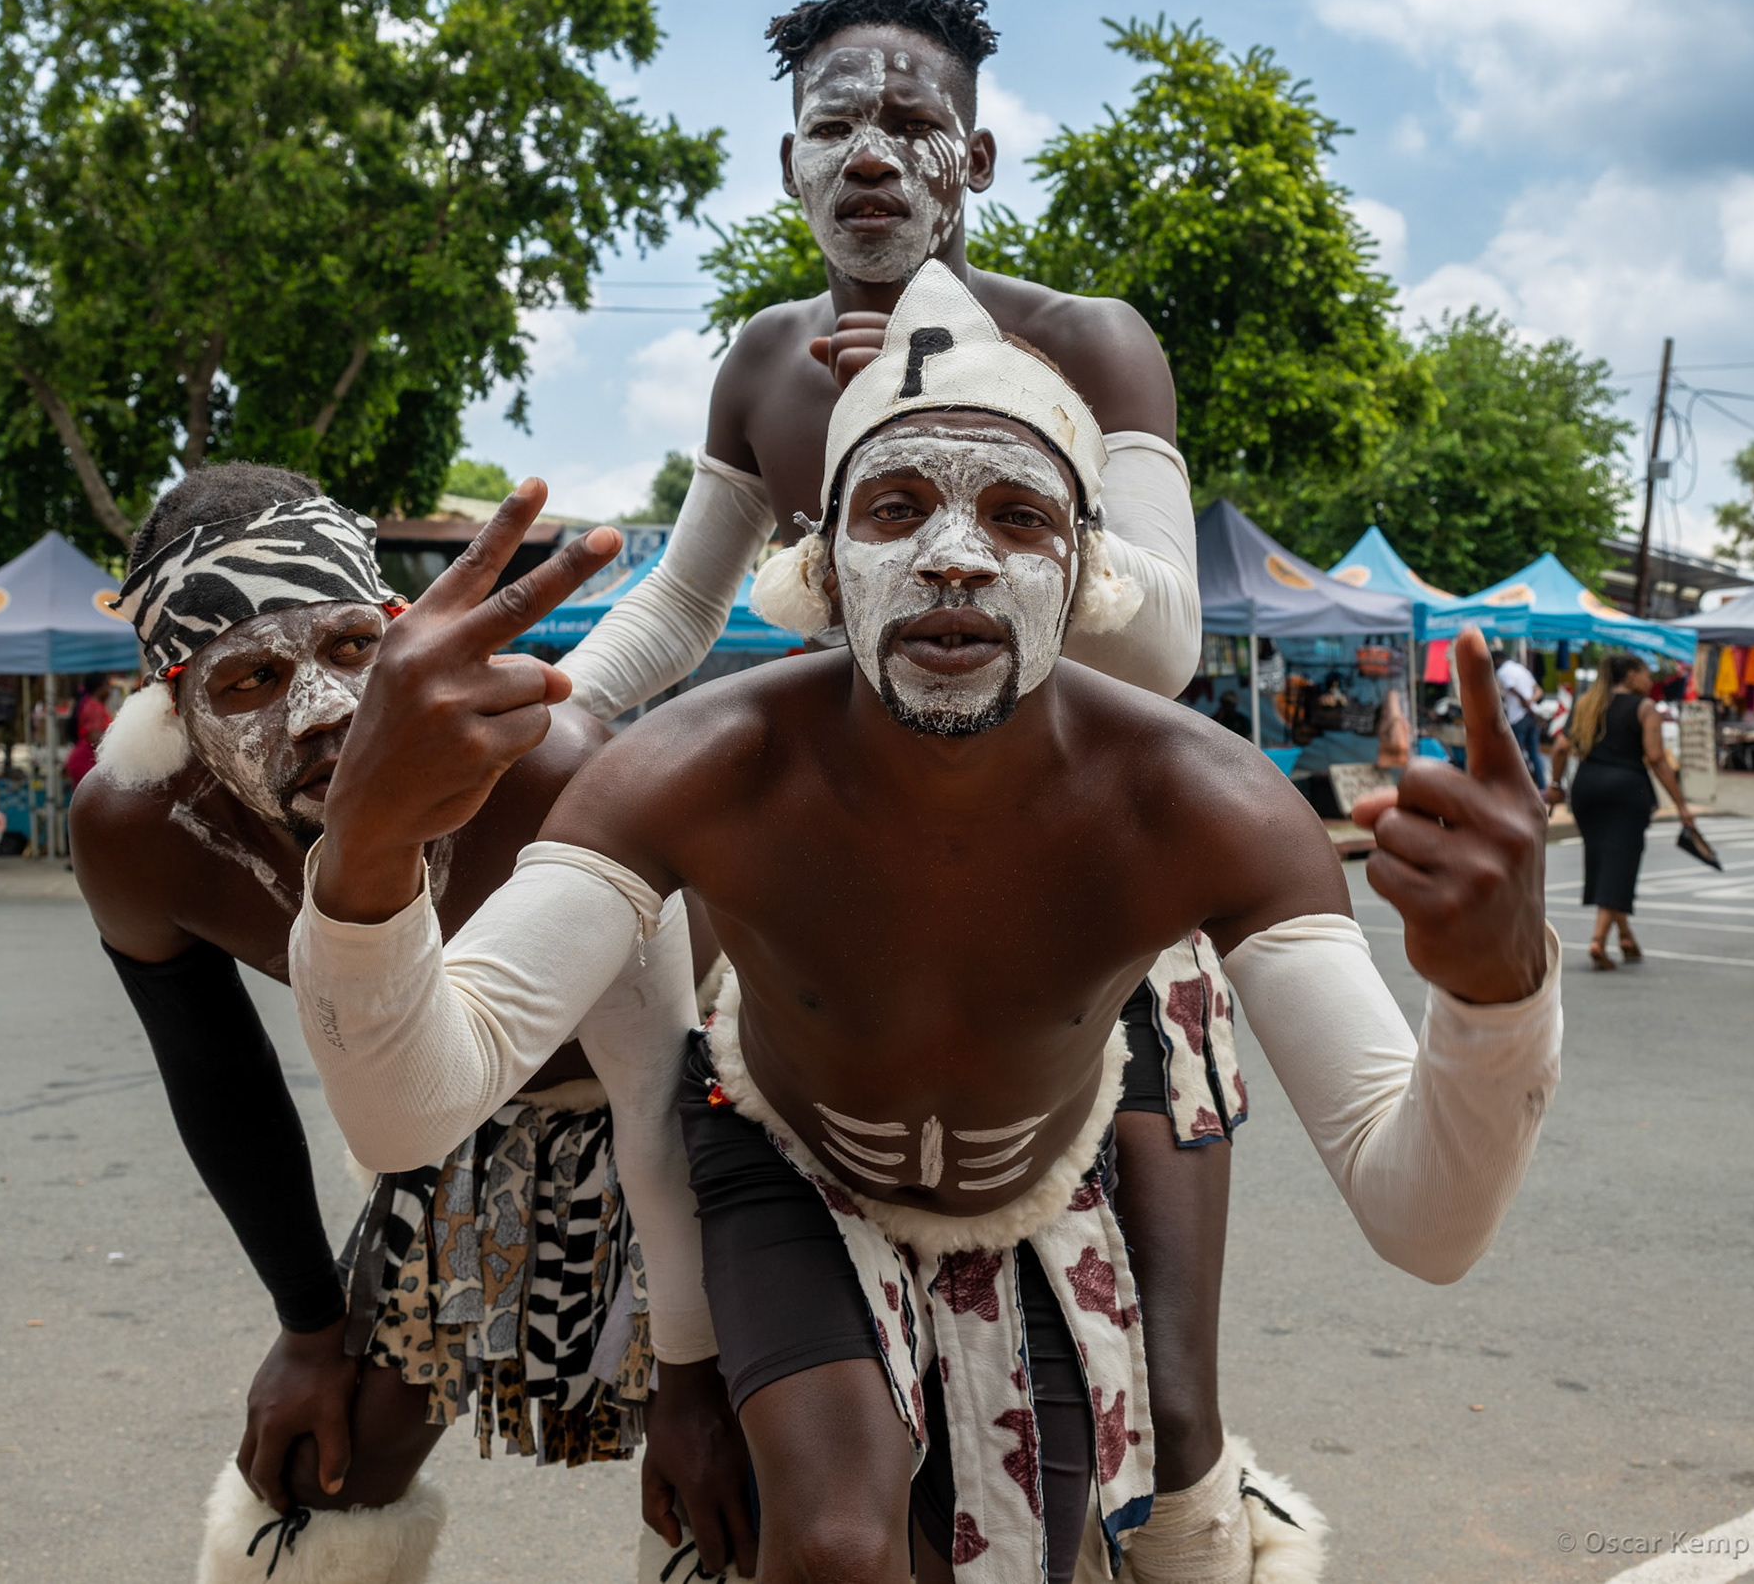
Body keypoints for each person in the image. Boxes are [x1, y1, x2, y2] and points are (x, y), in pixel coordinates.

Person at [290, 270, 1563, 1584]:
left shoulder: (1209, 805)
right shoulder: (690, 771)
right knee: (838, 1543)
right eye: (899, 506)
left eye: (1017, 514)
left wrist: (1495, 996)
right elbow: (406, 1112)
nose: (957, 552)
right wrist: (372, 852)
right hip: (784, 1162)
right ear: (822, 570)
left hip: (1044, 1193)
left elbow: (1426, 1220)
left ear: (1086, 578)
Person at [552, 0, 1256, 1564]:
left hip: (1090, 898)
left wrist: (940, 383)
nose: (871, 148)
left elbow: (1159, 649)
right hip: (853, 880)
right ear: (788, 165)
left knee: (1177, 1401)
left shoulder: (1088, 341)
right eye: (834, 122)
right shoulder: (760, 361)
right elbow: (678, 606)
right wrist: (538, 716)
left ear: (977, 161)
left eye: (911, 120)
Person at [70, 463, 752, 1584]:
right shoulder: (142, 831)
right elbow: (216, 1072)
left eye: (349, 650)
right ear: (170, 713)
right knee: (312, 1478)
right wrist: (306, 1322)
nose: (326, 711)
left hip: (700, 1095)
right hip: (458, 1116)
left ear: (402, 637)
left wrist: (697, 1379)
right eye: (249, 678)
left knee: (738, 1487)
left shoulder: (547, 769)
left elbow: (654, 1094)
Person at [1545, 652, 1695, 971]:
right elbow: (1656, 758)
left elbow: (1560, 747)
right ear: (1630, 676)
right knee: (1620, 862)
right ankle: (1598, 939)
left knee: (1605, 858)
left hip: (1588, 788)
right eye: (1644, 673)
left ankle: (1625, 936)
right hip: (1628, 790)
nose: (1649, 679)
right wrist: (1681, 804)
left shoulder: (1587, 704)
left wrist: (1556, 785)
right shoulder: (1645, 708)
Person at [1494, 648, 1544, 786]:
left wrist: (1525, 701)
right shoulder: (1521, 669)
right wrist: (1530, 702)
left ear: (1498, 660)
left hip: (1518, 717)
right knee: (1534, 754)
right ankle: (1542, 787)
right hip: (1531, 715)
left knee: (1516, 755)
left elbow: (1511, 688)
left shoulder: (1503, 671)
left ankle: (1519, 786)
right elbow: (1538, 691)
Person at [64, 675, 115, 789]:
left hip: (85, 760)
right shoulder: (94, 707)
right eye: (107, 686)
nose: (109, 690)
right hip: (85, 762)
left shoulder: (92, 705)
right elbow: (95, 738)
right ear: (99, 688)